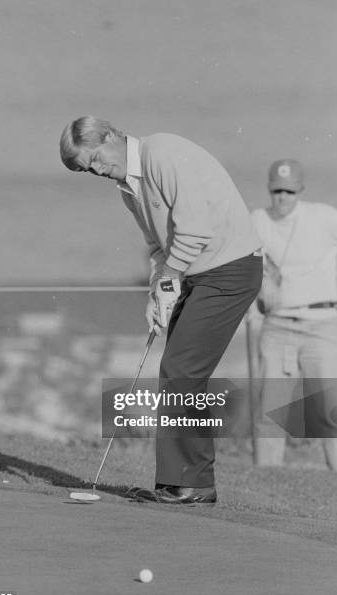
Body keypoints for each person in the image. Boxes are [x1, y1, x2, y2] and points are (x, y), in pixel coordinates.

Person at [60, 116, 262, 503]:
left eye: (96, 158)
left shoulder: (162, 153)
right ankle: (179, 482)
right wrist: (159, 293)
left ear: (111, 135)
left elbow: (195, 228)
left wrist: (171, 277)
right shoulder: (128, 188)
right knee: (180, 370)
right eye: (88, 169)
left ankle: (193, 484)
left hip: (231, 269)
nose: (98, 170)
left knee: (181, 369)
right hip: (197, 273)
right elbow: (159, 248)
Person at [251, 159, 337, 473]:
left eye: (290, 191)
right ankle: (265, 487)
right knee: (271, 412)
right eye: (278, 190)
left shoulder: (321, 216)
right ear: (270, 189)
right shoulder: (257, 220)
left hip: (322, 325)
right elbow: (240, 258)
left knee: (328, 411)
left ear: (300, 191)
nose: (283, 197)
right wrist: (260, 285)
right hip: (277, 326)